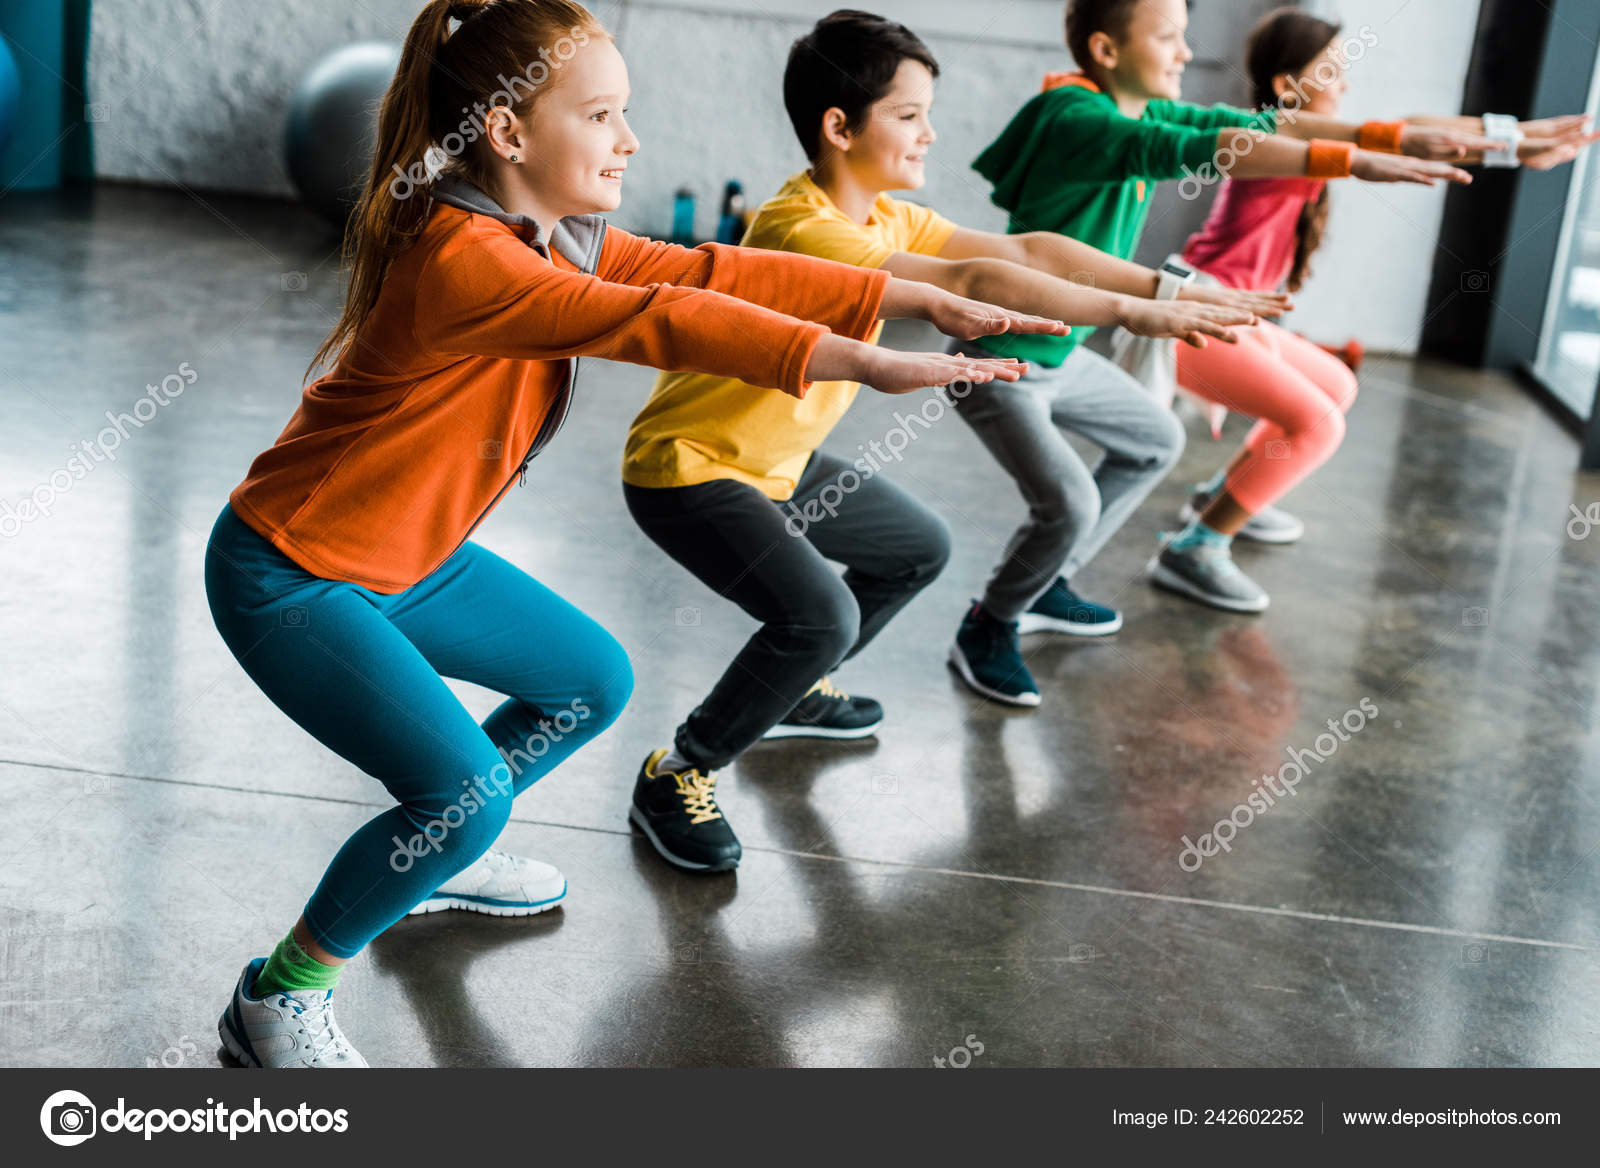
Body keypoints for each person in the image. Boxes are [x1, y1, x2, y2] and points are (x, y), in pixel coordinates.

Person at [207, 0, 1057, 1067]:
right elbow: (658, 320)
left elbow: (705, 272)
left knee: (591, 680)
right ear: (510, 134)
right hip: (294, 572)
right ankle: (277, 997)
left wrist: (894, 294)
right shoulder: (466, 260)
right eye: (603, 115)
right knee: (462, 794)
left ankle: (430, 854)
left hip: (406, 557)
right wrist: (871, 359)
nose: (630, 140)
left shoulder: (553, 234)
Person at [616, 9, 1276, 876]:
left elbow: (1030, 245)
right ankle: (678, 772)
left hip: (774, 464)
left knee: (915, 549)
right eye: (909, 115)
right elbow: (970, 281)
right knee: (819, 615)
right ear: (839, 127)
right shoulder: (804, 231)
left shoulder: (884, 215)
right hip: (691, 469)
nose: (931, 133)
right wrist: (1134, 311)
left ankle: (796, 687)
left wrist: (1162, 284)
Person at [964, 0, 1489, 617]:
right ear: (1107, 51)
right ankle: (997, 618)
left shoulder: (1130, 106)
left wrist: (1508, 139)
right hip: (1014, 354)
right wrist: (1355, 158)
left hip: (1085, 343)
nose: (1187, 53)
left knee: (1166, 440)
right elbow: (1205, 144)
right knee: (1076, 502)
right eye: (1168, 38)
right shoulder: (1081, 118)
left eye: (1185, 37)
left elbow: (1236, 126)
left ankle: (1144, 539)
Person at [1166, 5, 1600, 610]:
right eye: (1333, 73)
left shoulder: (1306, 134)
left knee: (1335, 385)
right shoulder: (1270, 134)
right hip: (1192, 315)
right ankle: (1196, 548)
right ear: (1290, 87)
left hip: (1235, 314)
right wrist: (1513, 144)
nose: (1345, 86)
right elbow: (1405, 130)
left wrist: (1519, 139)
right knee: (1317, 423)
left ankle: (1225, 495)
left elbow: (1410, 125)